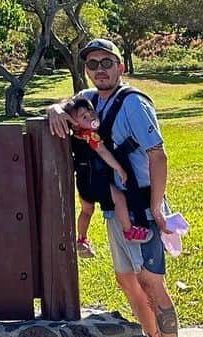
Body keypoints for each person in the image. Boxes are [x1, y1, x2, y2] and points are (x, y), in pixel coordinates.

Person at [48, 38, 185, 337]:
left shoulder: (134, 104)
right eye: (93, 64)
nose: (100, 69)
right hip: (113, 209)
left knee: (151, 284)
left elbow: (158, 155)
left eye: (107, 62)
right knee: (128, 281)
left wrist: (157, 209)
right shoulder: (90, 100)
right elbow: (65, 105)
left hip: (141, 208)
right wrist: (55, 109)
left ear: (120, 66)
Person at [60, 96, 152, 255]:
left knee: (87, 211)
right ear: (74, 125)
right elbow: (103, 152)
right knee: (119, 198)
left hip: (82, 181)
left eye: (90, 112)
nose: (91, 117)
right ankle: (129, 230)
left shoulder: (73, 137)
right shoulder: (90, 136)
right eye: (84, 117)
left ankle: (81, 239)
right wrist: (119, 169)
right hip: (96, 180)